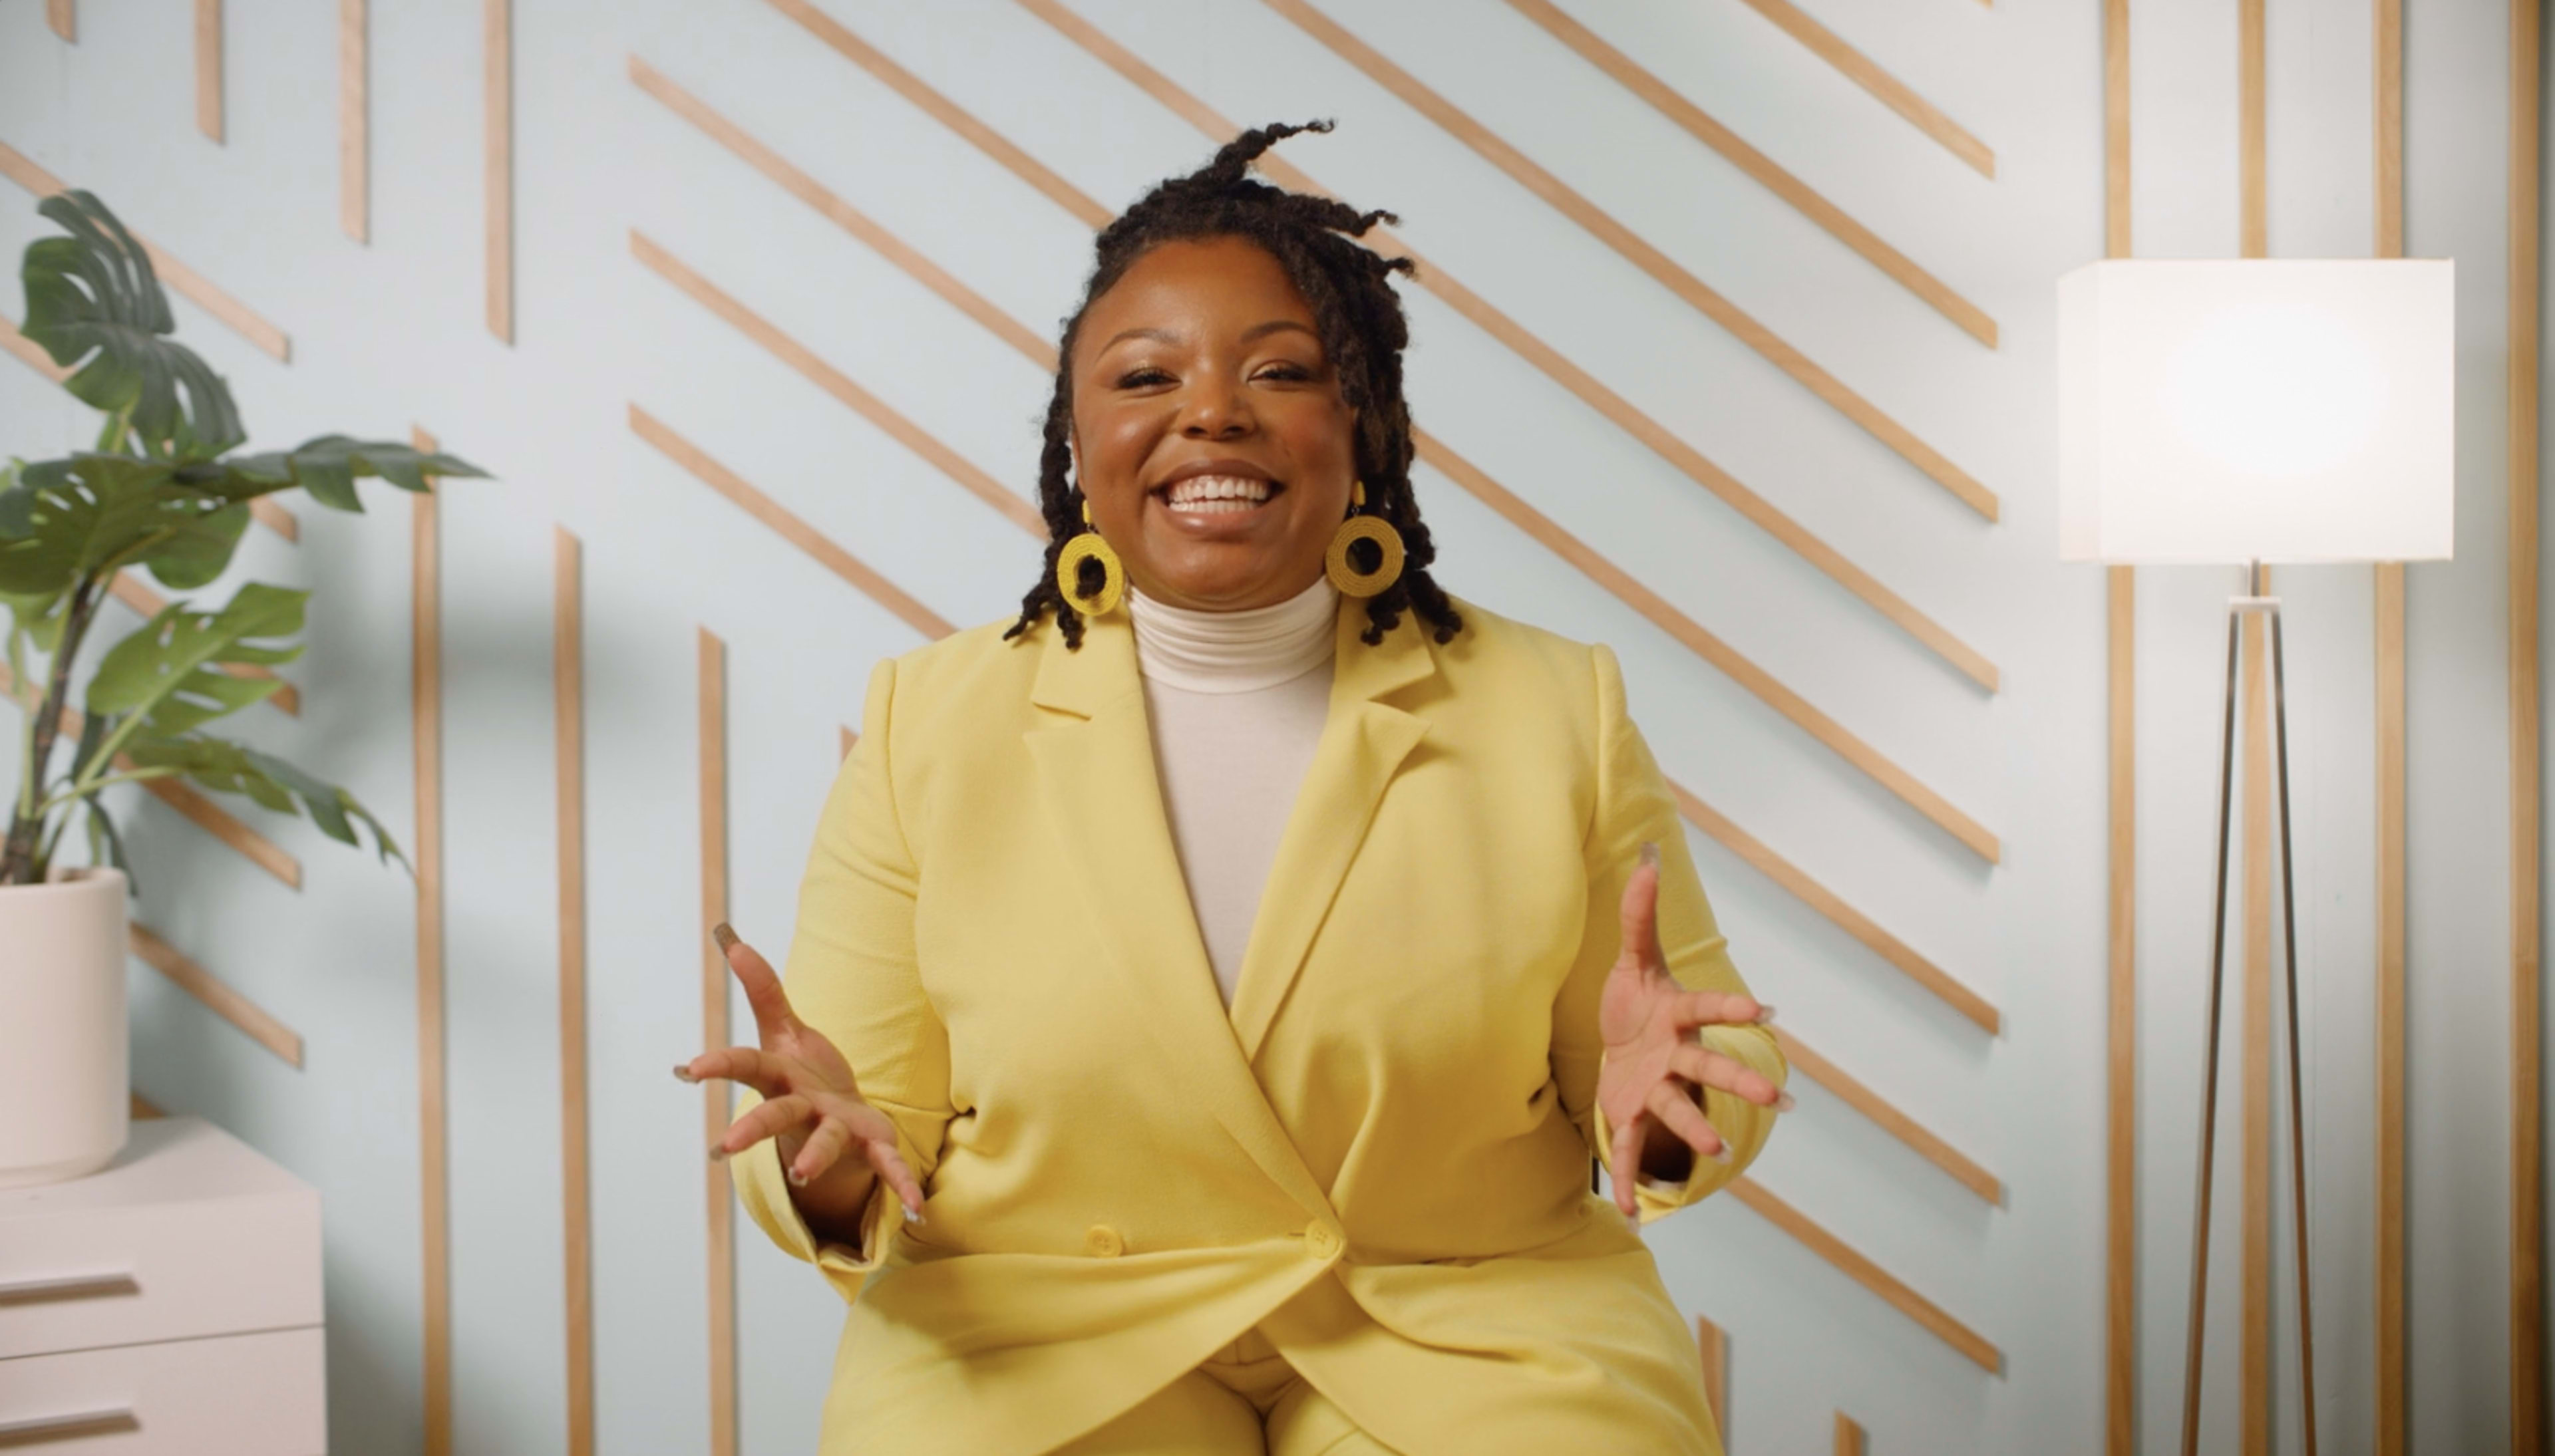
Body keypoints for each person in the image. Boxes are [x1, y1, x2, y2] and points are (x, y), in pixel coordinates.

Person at [676, 120, 1788, 1456]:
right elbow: (866, 1121)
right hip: (1036, 1335)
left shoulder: (1555, 707)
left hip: (1474, 1329)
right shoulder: (930, 723)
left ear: (1360, 423)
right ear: (1077, 443)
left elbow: (1675, 1065)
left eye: (1279, 370)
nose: (1213, 410)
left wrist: (1662, 1108)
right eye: (1147, 376)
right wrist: (834, 1153)